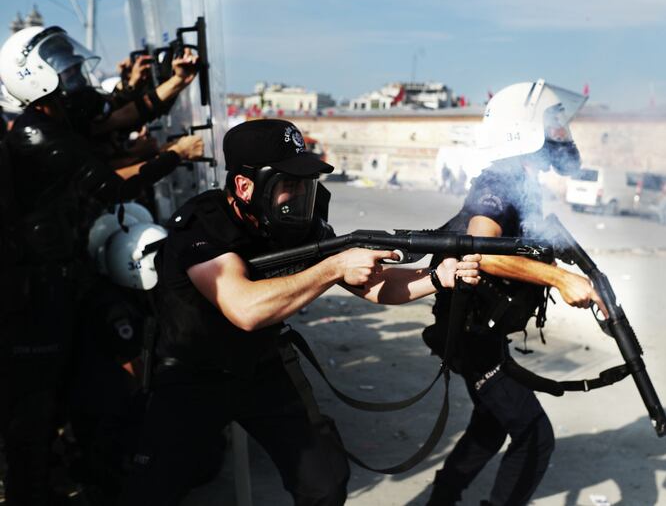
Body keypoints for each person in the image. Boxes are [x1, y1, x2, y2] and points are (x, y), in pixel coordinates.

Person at [119, 119, 481, 506]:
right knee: (154, 489)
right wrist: (332, 267)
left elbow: (375, 285)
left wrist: (437, 277)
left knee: (324, 481)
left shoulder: (301, 228)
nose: (301, 195)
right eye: (289, 184)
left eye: (306, 184)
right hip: (191, 375)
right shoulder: (203, 225)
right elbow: (245, 308)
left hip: (261, 366)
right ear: (246, 186)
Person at [0, 25, 202, 506]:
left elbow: (117, 116)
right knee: (32, 411)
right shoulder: (38, 135)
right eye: (63, 68)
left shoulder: (59, 119)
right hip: (32, 293)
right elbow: (111, 186)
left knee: (66, 393)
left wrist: (175, 84)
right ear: (35, 78)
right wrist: (174, 155)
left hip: (59, 280)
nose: (74, 75)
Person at [423, 81, 609, 506]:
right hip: (471, 336)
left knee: (490, 425)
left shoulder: (525, 183)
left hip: (483, 331)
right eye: (554, 124)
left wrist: (567, 271)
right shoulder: (499, 182)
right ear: (525, 130)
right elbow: (480, 251)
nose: (562, 133)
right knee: (534, 436)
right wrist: (559, 279)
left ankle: (441, 500)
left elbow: (521, 249)